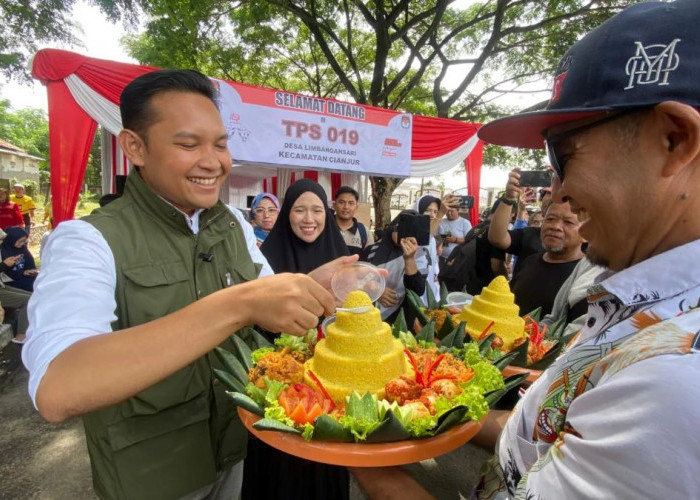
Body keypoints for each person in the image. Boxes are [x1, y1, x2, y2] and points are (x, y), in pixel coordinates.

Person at [353, 1, 700, 497]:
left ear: (674, 139)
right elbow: (538, 434)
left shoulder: (677, 381)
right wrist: (436, 410)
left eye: (562, 154)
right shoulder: (632, 305)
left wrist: (358, 450)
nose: (558, 194)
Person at [22, 69, 345, 500]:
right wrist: (239, 304)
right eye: (188, 144)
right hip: (150, 478)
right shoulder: (88, 239)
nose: (212, 162)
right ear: (135, 146)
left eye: (221, 144)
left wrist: (305, 288)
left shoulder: (231, 224)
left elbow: (265, 302)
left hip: (232, 453)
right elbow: (58, 387)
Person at [251, 178, 350, 500]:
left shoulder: (341, 258)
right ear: (286, 214)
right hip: (279, 392)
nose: (309, 218)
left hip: (330, 389)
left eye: (317, 210)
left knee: (326, 466)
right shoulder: (264, 262)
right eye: (300, 210)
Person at [509, 201, 585, 317]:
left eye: (568, 222)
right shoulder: (530, 261)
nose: (555, 226)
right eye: (550, 219)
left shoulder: (587, 277)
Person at [363, 210, 426, 323]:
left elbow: (418, 290)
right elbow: (357, 280)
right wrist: (377, 291)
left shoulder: (420, 254)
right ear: (392, 227)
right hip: (370, 315)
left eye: (409, 231)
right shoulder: (371, 251)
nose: (404, 235)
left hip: (402, 319)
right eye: (400, 229)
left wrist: (409, 259)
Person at [488, 169, 545, 273]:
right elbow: (497, 238)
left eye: (568, 222)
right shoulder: (529, 234)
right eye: (543, 193)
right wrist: (509, 198)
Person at [333, 185, 369, 255]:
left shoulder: (364, 232)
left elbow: (368, 261)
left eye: (351, 203)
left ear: (356, 207)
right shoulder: (323, 227)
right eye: (341, 202)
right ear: (334, 205)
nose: (346, 207)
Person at [0, 227, 38, 292]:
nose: (22, 243)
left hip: (24, 276)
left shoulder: (23, 248)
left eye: (24, 241)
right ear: (11, 240)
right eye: (20, 241)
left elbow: (30, 262)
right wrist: (22, 273)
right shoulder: (3, 251)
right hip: (10, 280)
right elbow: (5, 273)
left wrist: (31, 271)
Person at [438, 203, 472, 269]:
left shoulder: (465, 223)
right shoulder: (441, 222)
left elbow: (469, 241)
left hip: (457, 259)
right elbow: (435, 237)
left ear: (458, 210)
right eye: (447, 211)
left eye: (452, 211)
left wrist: (455, 239)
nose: (449, 213)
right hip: (441, 258)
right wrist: (441, 241)